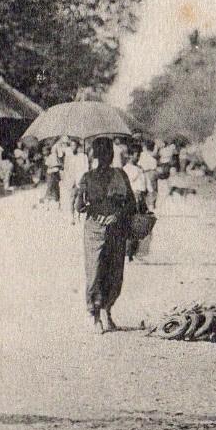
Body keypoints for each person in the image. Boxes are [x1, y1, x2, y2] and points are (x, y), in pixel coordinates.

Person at [75, 137, 137, 334]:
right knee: (94, 272)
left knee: (114, 272)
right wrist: (83, 197)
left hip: (116, 229)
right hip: (94, 230)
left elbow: (131, 203)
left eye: (107, 153)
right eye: (100, 153)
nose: (104, 157)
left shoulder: (121, 175)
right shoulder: (86, 177)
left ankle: (107, 311)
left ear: (111, 155)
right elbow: (79, 206)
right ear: (94, 155)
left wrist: (117, 215)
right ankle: (95, 316)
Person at [123, 143, 149, 261]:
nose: (137, 157)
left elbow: (145, 183)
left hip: (142, 197)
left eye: (139, 155)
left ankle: (137, 252)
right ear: (130, 155)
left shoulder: (140, 168)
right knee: (133, 225)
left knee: (142, 226)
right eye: (135, 154)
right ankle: (129, 254)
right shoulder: (126, 169)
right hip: (133, 197)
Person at [62, 140, 89, 225]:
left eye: (75, 145)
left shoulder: (83, 156)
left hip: (80, 180)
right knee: (71, 199)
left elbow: (86, 169)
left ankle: (78, 217)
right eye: (72, 145)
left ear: (78, 146)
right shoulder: (68, 157)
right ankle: (72, 217)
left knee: (79, 200)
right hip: (71, 181)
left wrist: (84, 180)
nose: (73, 147)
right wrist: (68, 179)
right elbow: (66, 169)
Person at [139, 140, 159, 211]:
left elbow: (140, 165)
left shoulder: (142, 154)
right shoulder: (153, 154)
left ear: (145, 147)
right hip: (153, 172)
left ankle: (147, 205)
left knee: (146, 189)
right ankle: (152, 204)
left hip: (145, 172)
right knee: (153, 189)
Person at [41, 144, 62, 210]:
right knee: (51, 188)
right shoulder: (47, 157)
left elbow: (53, 164)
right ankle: (48, 204)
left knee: (53, 188)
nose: (44, 153)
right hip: (50, 174)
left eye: (45, 151)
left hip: (54, 173)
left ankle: (56, 204)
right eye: (43, 151)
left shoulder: (52, 156)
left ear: (49, 151)